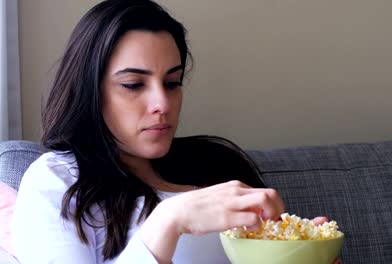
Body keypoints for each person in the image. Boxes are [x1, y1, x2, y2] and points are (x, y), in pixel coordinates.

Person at [12, 0, 338, 263]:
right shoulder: (59, 181)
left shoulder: (219, 163)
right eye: (133, 84)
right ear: (90, 92)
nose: (162, 103)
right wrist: (167, 223)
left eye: (172, 83)